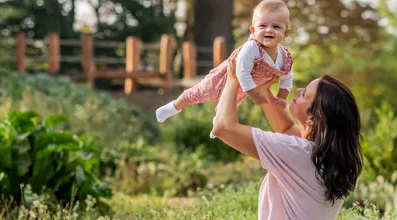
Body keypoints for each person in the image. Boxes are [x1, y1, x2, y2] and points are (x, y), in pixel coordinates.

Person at [211, 46, 364, 219]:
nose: (298, 90)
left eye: (305, 93)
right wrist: (264, 90)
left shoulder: (299, 153)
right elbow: (286, 130)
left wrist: (233, 77)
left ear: (313, 117)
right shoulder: (330, 157)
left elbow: (223, 127)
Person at [155, 0, 295, 124]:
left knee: (231, 105)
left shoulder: (284, 56)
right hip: (226, 78)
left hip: (245, 88)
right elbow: (242, 72)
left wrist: (281, 97)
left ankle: (218, 122)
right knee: (199, 92)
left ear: (286, 33)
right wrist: (255, 95)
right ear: (253, 30)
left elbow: (287, 76)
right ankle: (174, 106)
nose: (269, 30)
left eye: (276, 27)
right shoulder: (252, 48)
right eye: (263, 26)